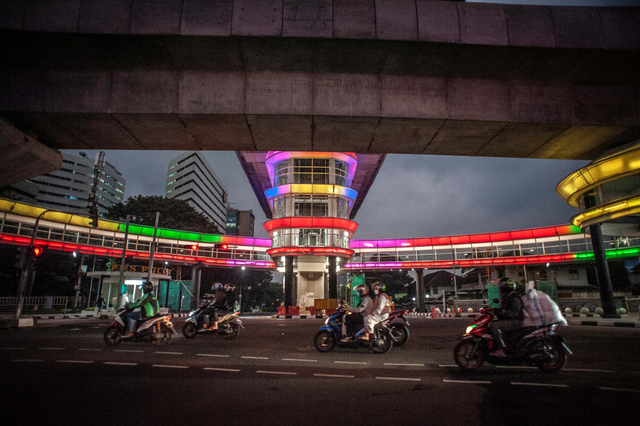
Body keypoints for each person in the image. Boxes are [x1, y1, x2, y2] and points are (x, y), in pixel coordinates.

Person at [489, 278, 523, 356]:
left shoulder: (514, 297)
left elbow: (514, 313)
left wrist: (502, 312)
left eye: (502, 285)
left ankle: (500, 350)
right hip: (511, 320)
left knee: (494, 326)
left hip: (516, 321)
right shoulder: (507, 297)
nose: (500, 287)